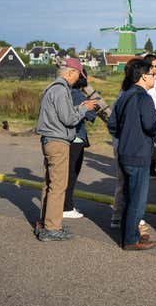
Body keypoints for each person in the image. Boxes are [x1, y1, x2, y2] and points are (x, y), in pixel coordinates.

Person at [35, 58, 97, 241]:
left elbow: (60, 114)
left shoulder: (51, 88)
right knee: (58, 186)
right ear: (71, 72)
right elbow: (69, 119)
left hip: (48, 139)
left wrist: (78, 108)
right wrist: (84, 108)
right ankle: (52, 228)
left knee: (49, 183)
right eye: (78, 75)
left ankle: (45, 222)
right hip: (58, 141)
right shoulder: (61, 90)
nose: (77, 79)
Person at [107, 59, 156, 250]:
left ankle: (129, 234)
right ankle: (130, 239)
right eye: (152, 74)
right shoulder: (144, 98)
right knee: (137, 200)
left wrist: (126, 135)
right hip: (139, 153)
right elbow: (150, 126)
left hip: (124, 151)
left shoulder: (124, 95)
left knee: (128, 196)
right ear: (144, 76)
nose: (154, 78)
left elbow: (112, 124)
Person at [64, 69, 97, 219]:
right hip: (76, 138)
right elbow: (91, 115)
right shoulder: (78, 95)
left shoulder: (64, 92)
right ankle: (67, 206)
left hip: (65, 137)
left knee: (65, 173)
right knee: (72, 173)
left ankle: (64, 204)